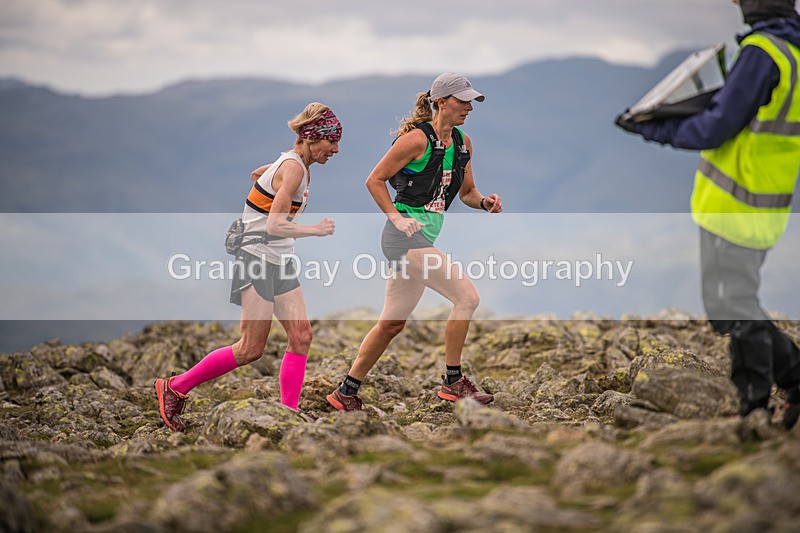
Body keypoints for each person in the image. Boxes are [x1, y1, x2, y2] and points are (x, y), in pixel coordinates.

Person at [616, 0, 800, 429]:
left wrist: (650, 128)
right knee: (727, 307)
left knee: (736, 304)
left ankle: (755, 405)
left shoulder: (763, 52)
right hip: (762, 202)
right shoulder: (790, 53)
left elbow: (717, 126)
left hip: (734, 204)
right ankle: (787, 381)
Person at [154, 103, 341, 431]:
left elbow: (259, 175)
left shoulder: (294, 165)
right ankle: (175, 387)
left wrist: (254, 206)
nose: (336, 149)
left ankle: (288, 413)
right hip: (256, 259)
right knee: (250, 348)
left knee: (301, 336)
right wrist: (315, 230)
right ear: (312, 139)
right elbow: (274, 226)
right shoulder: (295, 168)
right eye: (331, 141)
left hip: (279, 260)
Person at [326, 73, 502, 411]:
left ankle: (345, 392)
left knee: (391, 323)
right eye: (462, 100)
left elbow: (466, 192)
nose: (469, 107)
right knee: (467, 297)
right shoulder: (415, 140)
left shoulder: (463, 143)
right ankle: (453, 382)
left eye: (471, 101)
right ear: (441, 102)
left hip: (422, 237)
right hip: (403, 238)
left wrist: (484, 203)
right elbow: (374, 180)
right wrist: (396, 216)